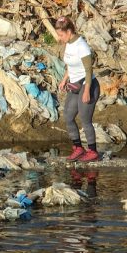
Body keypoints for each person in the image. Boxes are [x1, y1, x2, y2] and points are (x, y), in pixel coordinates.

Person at [55, 16, 100, 162]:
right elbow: (71, 64)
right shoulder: (69, 43)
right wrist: (64, 79)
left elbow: (88, 70)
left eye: (61, 35)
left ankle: (93, 151)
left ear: (69, 32)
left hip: (88, 84)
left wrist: (87, 91)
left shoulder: (82, 46)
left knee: (85, 119)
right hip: (75, 84)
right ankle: (78, 148)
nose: (60, 38)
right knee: (68, 116)